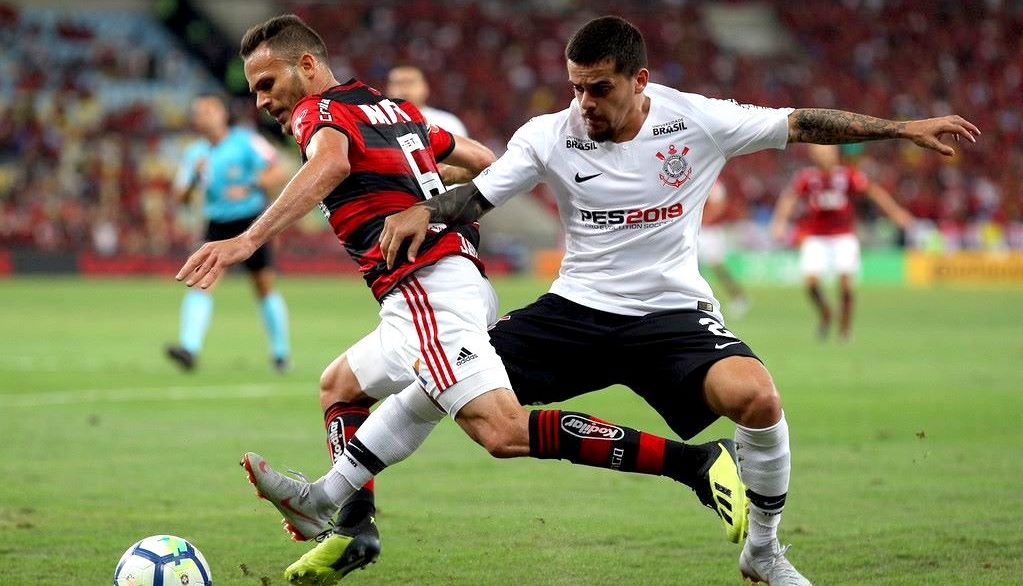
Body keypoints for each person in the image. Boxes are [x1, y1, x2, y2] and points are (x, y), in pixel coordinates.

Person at [377, 15, 979, 586]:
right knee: (441, 382)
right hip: (575, 310)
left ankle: (764, 550)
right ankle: (336, 497)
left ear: (640, 81)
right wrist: (426, 211)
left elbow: (800, 123)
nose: (585, 103)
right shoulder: (548, 134)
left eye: (599, 89)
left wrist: (898, 129)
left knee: (758, 397)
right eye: (576, 88)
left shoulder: (697, 120)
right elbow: (476, 198)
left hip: (671, 313)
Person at [176, 14, 747, 586]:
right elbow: (476, 157)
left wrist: (247, 239)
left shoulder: (316, 113)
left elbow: (331, 162)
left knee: (501, 431)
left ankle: (695, 465)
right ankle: (351, 524)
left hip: (425, 291)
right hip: (449, 282)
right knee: (340, 386)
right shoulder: (387, 108)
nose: (262, 102)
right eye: (254, 91)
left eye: (267, 84)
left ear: (306, 66)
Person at [165, 93, 292, 372]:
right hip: (217, 225)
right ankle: (189, 348)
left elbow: (278, 170)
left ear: (223, 114)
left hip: (251, 223)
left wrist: (250, 184)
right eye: (199, 112)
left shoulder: (246, 140)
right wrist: (195, 179)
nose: (205, 116)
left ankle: (281, 354)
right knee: (202, 282)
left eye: (210, 110)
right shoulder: (195, 154)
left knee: (263, 285)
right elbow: (181, 197)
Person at [769, 144, 915, 341]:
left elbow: (874, 192)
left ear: (835, 154)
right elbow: (789, 197)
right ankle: (826, 313)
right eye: (819, 153)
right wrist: (779, 223)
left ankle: (844, 328)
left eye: (826, 152)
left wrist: (896, 212)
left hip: (843, 236)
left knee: (846, 284)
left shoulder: (847, 175)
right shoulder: (807, 177)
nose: (822, 156)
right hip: (816, 237)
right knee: (811, 283)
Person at [699, 179, 750, 318]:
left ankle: (738, 297)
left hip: (710, 231)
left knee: (717, 267)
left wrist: (702, 220)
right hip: (697, 230)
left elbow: (718, 205)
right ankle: (700, 300)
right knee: (696, 267)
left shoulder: (714, 184)